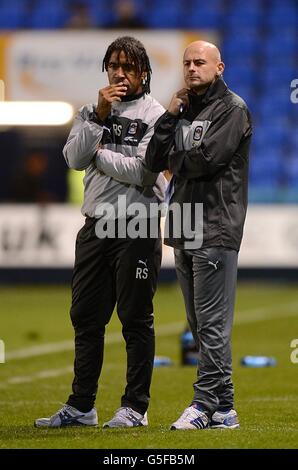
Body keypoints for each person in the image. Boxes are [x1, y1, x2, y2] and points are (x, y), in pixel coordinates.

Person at [35, 36, 166, 428]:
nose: (119, 73)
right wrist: (97, 117)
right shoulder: (91, 111)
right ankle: (81, 407)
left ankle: (135, 407)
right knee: (86, 318)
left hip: (138, 224)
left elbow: (143, 172)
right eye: (113, 66)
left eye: (128, 67)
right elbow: (73, 158)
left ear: (143, 72)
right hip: (95, 226)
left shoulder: (156, 115)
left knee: (135, 318)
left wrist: (99, 154)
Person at [145, 40, 252, 430]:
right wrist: (170, 117)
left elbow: (206, 160)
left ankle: (204, 404)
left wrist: (174, 153)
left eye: (200, 62)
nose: (192, 68)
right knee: (198, 324)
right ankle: (225, 410)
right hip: (183, 224)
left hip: (215, 225)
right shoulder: (183, 108)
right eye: (187, 62)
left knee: (211, 323)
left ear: (219, 67)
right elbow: (153, 160)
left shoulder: (233, 109)